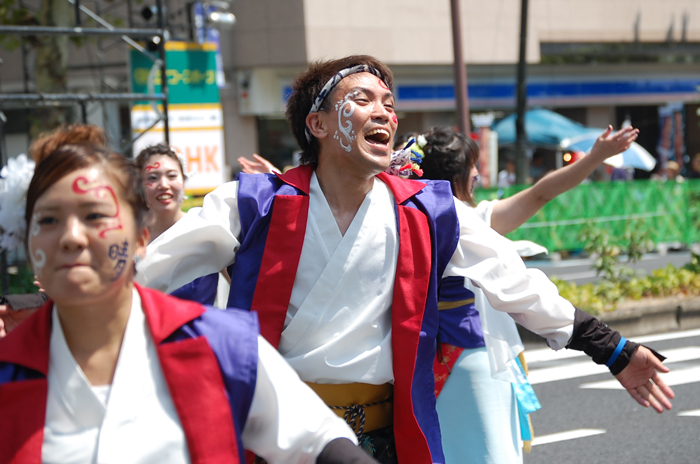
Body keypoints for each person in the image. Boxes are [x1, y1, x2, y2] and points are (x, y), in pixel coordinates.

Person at [136, 55, 674, 464]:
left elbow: (517, 284)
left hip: (382, 436)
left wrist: (614, 350)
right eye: (363, 99)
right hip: (278, 434)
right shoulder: (253, 203)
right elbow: (148, 275)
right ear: (318, 124)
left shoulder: (427, 210)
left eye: (389, 104)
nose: (384, 113)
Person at [0, 125, 375, 464]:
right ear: (26, 239)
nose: (71, 237)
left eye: (94, 216)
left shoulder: (224, 348)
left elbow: (315, 441)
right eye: (48, 220)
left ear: (141, 238)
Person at [419, 124, 640, 464]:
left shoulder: (406, 217)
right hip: (473, 355)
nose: (478, 173)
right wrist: (595, 157)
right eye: (473, 167)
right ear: (461, 174)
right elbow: (540, 194)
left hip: (423, 361)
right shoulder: (467, 219)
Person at [135, 143, 230, 308]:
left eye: (171, 176)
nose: (163, 185)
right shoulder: (130, 238)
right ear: (139, 186)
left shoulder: (205, 228)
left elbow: (242, 288)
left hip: (201, 332)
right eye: (152, 177)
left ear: (184, 182)